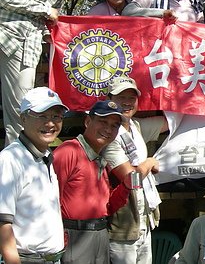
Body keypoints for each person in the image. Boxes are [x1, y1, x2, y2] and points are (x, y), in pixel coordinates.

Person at [0, 0, 75, 146]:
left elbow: (55, 14)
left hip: (29, 47)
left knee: (20, 110)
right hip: (5, 35)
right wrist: (44, 9)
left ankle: (17, 166)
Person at [53, 100, 131, 264]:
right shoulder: (68, 151)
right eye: (103, 121)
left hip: (100, 234)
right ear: (88, 121)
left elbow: (106, 207)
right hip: (74, 235)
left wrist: (126, 186)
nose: (108, 129)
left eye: (115, 125)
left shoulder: (100, 157)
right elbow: (50, 200)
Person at [103, 76, 169, 264]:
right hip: (122, 224)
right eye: (120, 97)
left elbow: (171, 122)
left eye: (131, 98)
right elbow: (131, 178)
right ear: (110, 100)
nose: (126, 103)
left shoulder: (136, 126)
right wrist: (149, 163)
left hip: (143, 220)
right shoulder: (107, 133)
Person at [0, 87, 68, 264]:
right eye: (42, 116)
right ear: (23, 118)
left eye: (56, 116)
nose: (50, 123)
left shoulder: (45, 156)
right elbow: (2, 224)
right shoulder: (10, 159)